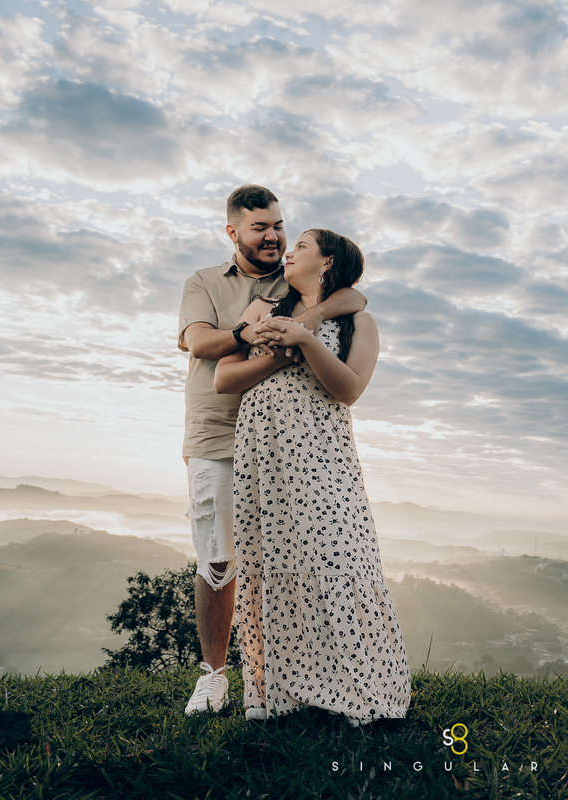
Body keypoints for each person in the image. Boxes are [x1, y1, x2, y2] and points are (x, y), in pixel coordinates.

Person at [177, 186, 365, 715]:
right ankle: (214, 676)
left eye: (279, 225)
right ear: (233, 231)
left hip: (283, 444)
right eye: (260, 227)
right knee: (218, 559)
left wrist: (296, 326)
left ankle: (290, 679)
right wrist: (248, 329)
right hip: (218, 433)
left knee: (287, 559)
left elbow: (350, 300)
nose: (273, 236)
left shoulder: (292, 278)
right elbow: (200, 344)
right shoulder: (205, 282)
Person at [215, 228, 410, 725]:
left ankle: (359, 687)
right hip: (265, 452)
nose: (290, 251)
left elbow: (348, 389)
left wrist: (305, 338)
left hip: (322, 453)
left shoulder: (359, 322)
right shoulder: (261, 308)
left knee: (337, 555)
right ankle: (279, 693)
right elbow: (223, 379)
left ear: (326, 263)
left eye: (302, 245)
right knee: (274, 559)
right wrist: (280, 348)